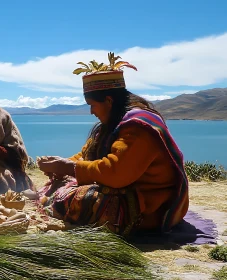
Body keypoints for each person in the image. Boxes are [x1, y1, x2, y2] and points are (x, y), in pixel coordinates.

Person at [32, 52, 189, 235]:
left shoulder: (139, 127)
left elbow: (116, 172)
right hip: (125, 192)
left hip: (150, 206)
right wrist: (60, 164)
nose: (91, 112)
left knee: (83, 200)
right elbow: (86, 156)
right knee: (60, 185)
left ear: (108, 101)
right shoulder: (111, 125)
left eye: (92, 105)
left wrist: (70, 168)